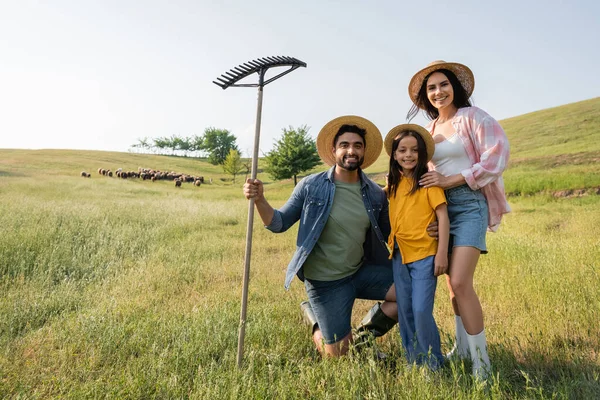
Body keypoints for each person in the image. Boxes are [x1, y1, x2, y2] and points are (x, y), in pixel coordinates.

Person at [243, 116, 398, 357]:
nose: (351, 150)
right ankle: (315, 319)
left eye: (357, 145)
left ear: (364, 151)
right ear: (333, 150)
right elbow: (278, 223)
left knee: (410, 292)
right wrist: (260, 199)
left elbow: (392, 233)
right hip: (325, 283)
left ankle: (363, 338)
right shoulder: (311, 186)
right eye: (345, 145)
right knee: (337, 356)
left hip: (360, 271)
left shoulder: (376, 195)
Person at [406, 60, 511, 379]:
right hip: (440, 209)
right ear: (426, 96)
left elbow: (498, 156)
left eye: (444, 85)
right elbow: (420, 171)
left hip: (469, 205)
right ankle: (463, 348)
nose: (438, 92)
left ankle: (482, 362)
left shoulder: (474, 117)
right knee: (452, 284)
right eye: (432, 88)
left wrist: (452, 181)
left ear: (456, 87)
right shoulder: (429, 131)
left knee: (462, 281)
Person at [384, 124, 450, 370]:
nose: (408, 155)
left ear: (422, 154)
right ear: (394, 154)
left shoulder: (428, 183)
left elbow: (443, 216)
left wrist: (441, 252)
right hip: (399, 255)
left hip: (425, 255)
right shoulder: (393, 184)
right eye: (402, 150)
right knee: (406, 311)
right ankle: (413, 361)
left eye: (414, 150)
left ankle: (433, 363)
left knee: (421, 309)